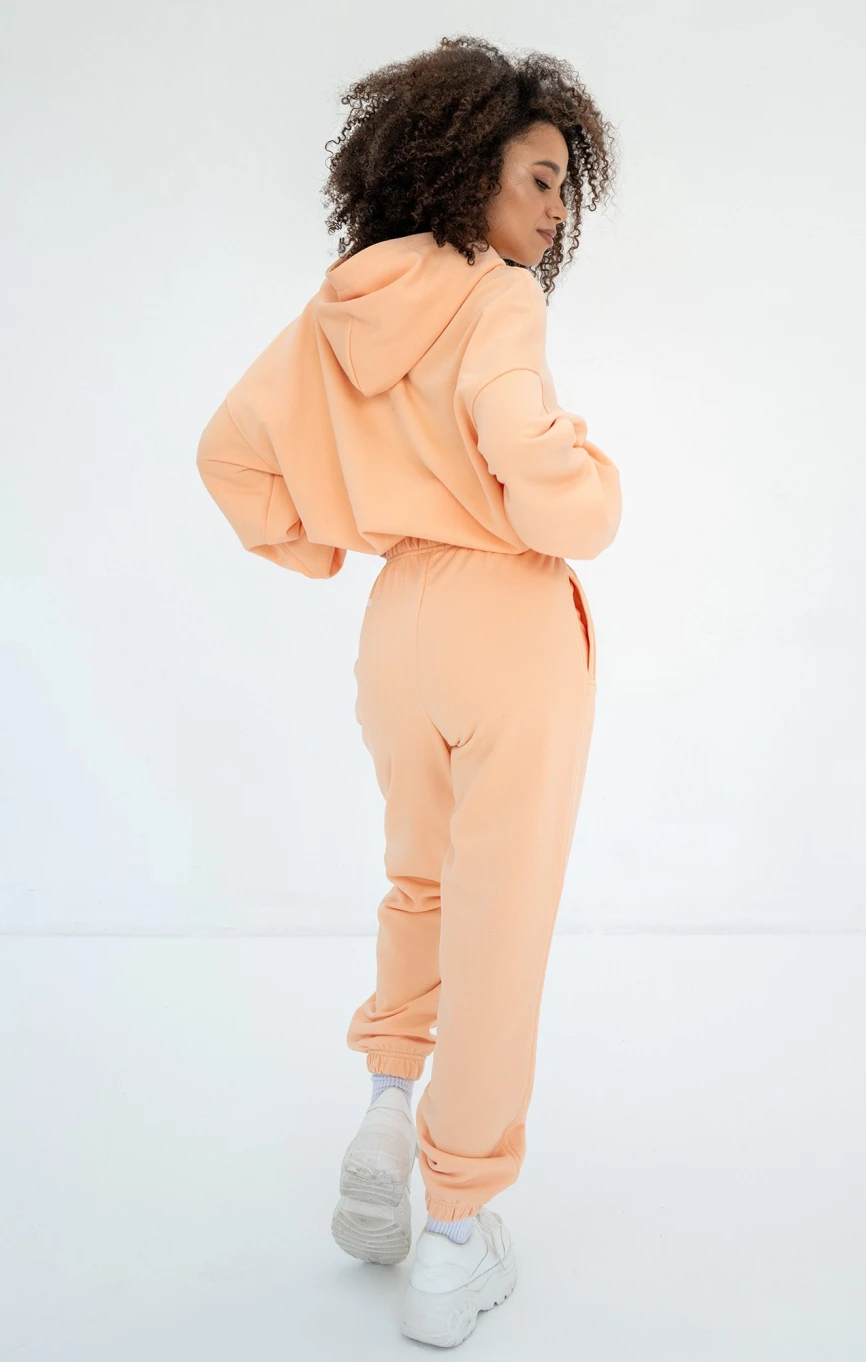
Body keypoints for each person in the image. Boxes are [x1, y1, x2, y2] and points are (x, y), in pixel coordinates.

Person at [195, 34, 622, 1349]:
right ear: (468, 169)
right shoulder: (500, 298)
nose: (555, 212)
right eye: (540, 179)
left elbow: (231, 455)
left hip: (399, 627)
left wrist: (325, 541)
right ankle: (452, 1239)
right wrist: (591, 494)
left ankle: (388, 1107)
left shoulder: (349, 302)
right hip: (506, 618)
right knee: (501, 923)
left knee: (421, 882)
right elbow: (522, 443)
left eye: (566, 189)